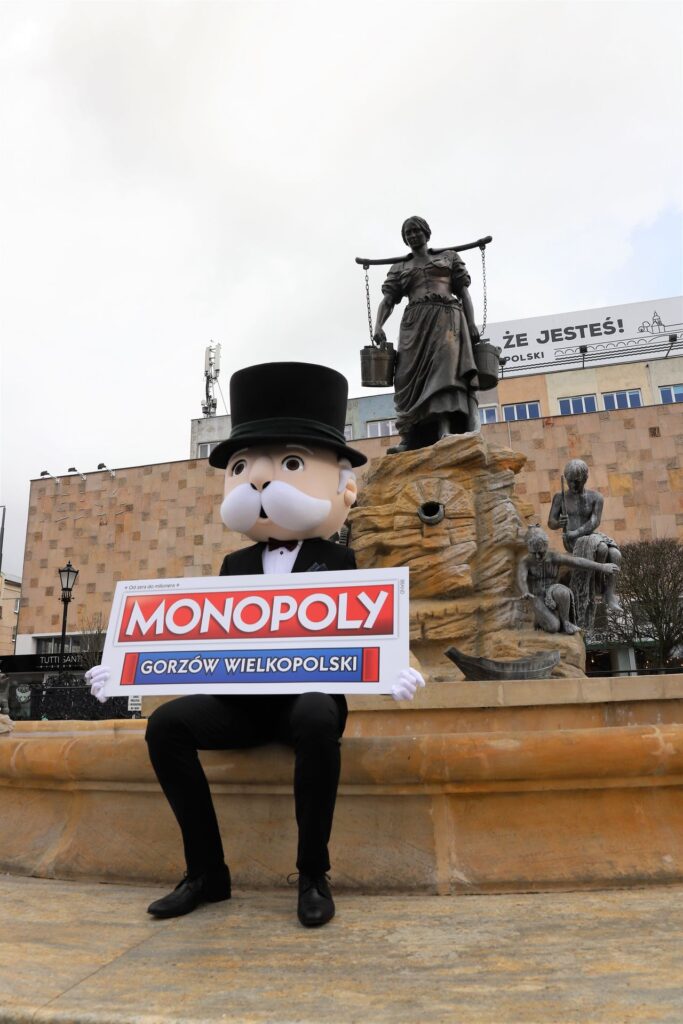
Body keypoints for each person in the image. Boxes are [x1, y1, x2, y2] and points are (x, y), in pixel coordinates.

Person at [87, 362, 424, 928]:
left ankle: (312, 873)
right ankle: (206, 872)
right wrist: (122, 669)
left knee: (316, 713)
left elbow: (370, 624)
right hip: (243, 704)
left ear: (342, 484)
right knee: (166, 726)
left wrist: (395, 668)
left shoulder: (339, 559)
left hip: (306, 702)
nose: (260, 483)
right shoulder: (234, 564)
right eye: (243, 468)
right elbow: (200, 639)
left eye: (291, 463)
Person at [372, 215, 481, 452]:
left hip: (446, 318)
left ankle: (445, 428)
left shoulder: (449, 257)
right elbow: (388, 300)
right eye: (408, 233)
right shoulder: (400, 267)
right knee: (404, 377)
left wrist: (472, 323)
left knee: (444, 372)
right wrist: (378, 325)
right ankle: (409, 437)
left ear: (426, 232)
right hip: (414, 324)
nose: (412, 236)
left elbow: (464, 293)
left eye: (416, 231)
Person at [548, 459, 621, 618]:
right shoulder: (560, 497)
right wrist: (559, 523)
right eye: (570, 481)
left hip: (589, 535)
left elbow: (595, 521)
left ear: (585, 478)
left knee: (615, 554)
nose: (573, 485)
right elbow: (551, 522)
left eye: (577, 481)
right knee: (602, 549)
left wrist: (577, 532)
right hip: (572, 542)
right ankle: (596, 584)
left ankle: (609, 594)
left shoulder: (596, 497)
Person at [517, 526, 619, 635]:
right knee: (554, 626)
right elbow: (521, 579)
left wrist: (602, 567)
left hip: (552, 592)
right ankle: (543, 620)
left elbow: (577, 562)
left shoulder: (553, 557)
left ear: (546, 546)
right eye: (533, 553)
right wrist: (525, 592)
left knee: (563, 591)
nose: (537, 556)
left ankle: (566, 623)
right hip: (537, 598)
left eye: (540, 552)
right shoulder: (525, 562)